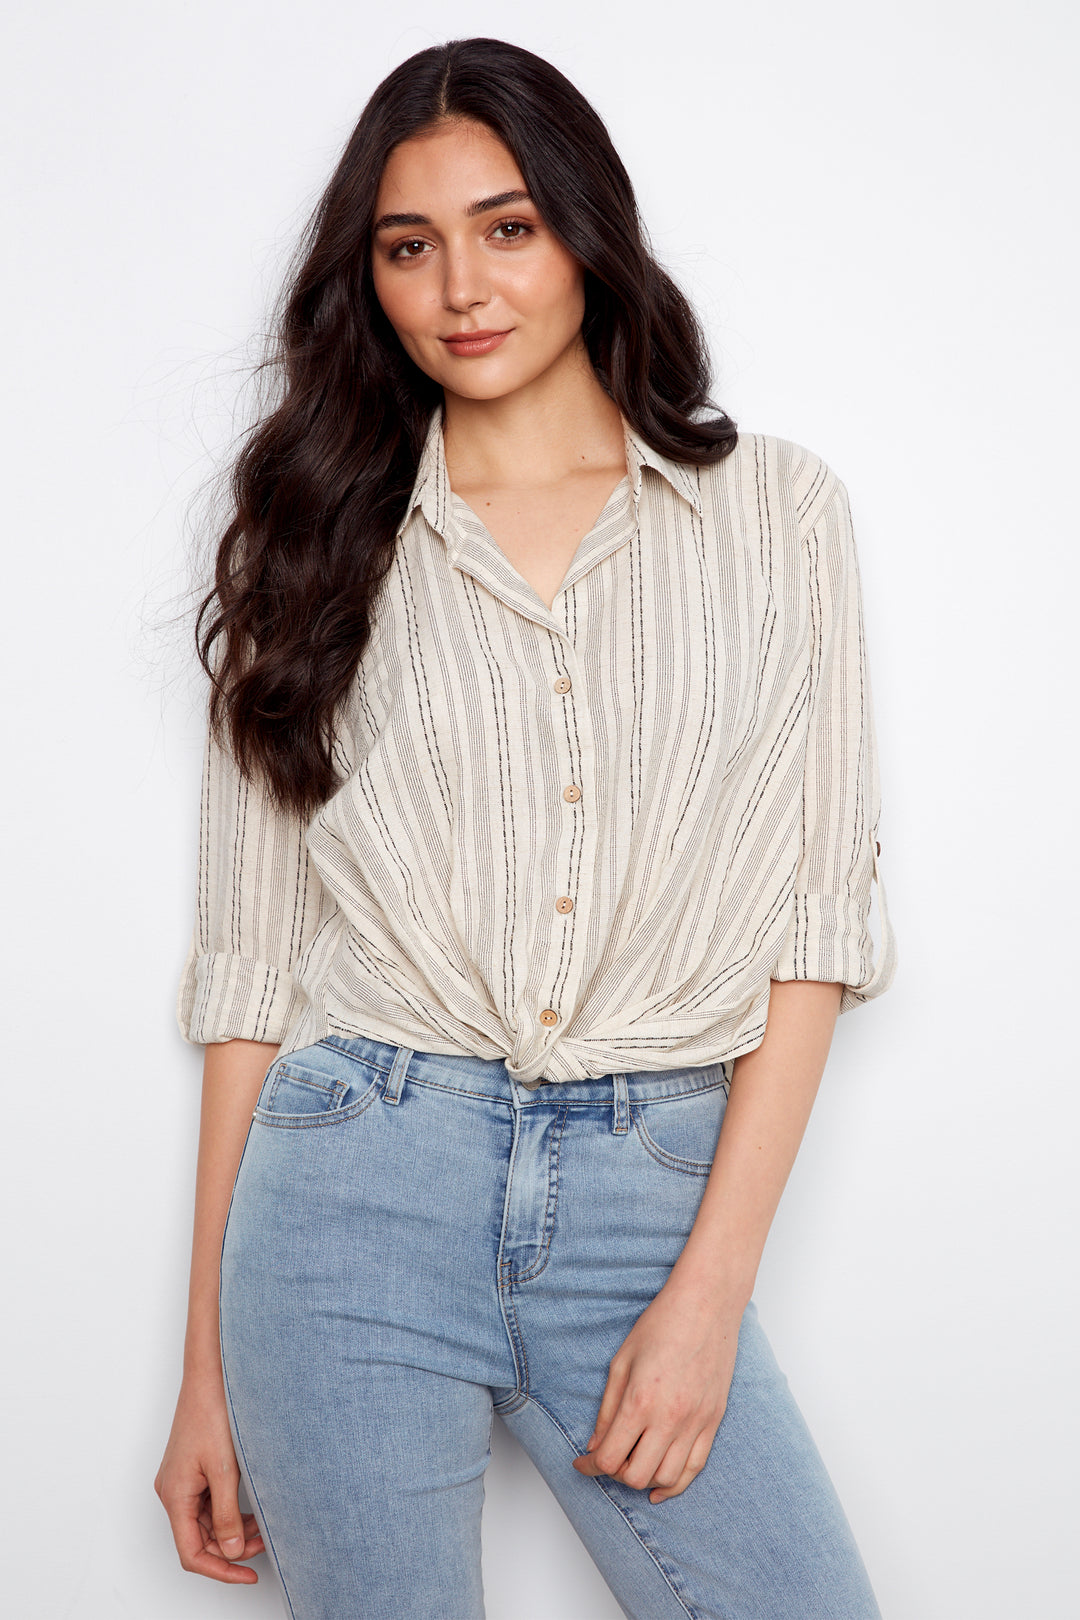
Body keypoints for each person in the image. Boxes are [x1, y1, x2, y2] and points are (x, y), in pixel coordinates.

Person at [155, 35, 897, 1620]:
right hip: (352, 1184)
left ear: (585, 234)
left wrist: (709, 1293)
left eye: (507, 227)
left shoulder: (775, 515)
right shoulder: (313, 533)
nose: (461, 288)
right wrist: (206, 1369)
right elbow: (253, 973)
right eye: (408, 247)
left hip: (649, 1186)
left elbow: (815, 923)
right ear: (370, 282)